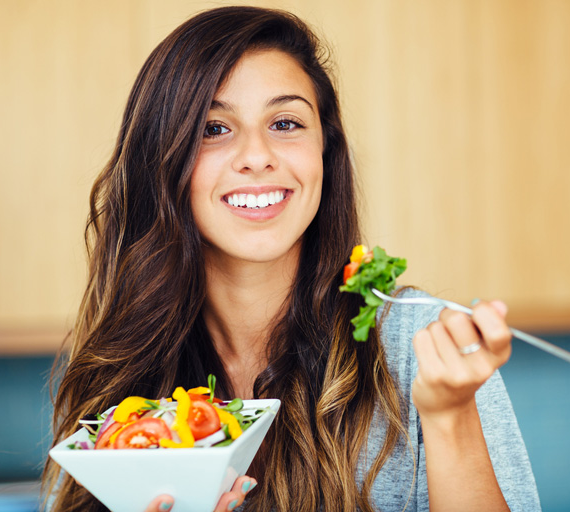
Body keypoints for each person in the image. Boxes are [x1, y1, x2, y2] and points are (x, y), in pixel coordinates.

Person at [42, 6, 541, 512]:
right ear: (162, 162)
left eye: (285, 123)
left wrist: (451, 416)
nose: (257, 155)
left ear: (326, 149)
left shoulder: (423, 349)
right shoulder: (124, 376)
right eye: (214, 128)